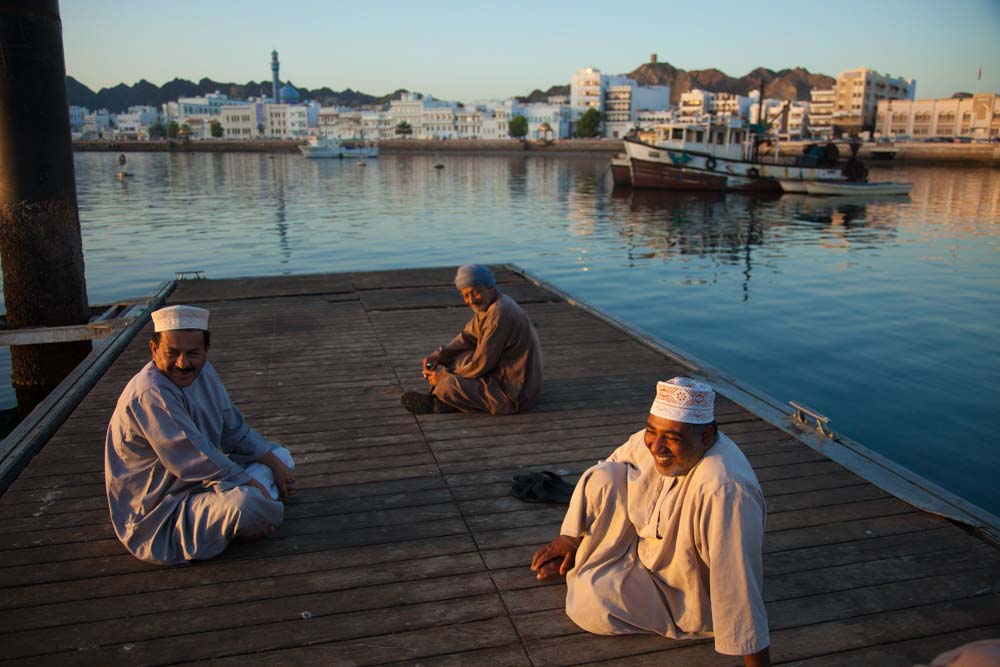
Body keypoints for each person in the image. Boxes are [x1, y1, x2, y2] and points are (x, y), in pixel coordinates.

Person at [531, 378, 770, 666]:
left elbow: (737, 582)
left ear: (705, 437)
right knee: (606, 475)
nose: (656, 446)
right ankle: (587, 559)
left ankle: (605, 574)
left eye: (672, 438)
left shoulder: (725, 489)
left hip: (686, 589)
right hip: (649, 553)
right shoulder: (651, 441)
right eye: (651, 430)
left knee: (589, 601)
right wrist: (569, 538)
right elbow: (605, 473)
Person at [104, 305, 296, 565]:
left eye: (193, 353)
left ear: (206, 350)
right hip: (162, 510)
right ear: (153, 349)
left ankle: (241, 518)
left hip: (204, 484)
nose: (183, 364)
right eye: (172, 353)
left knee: (280, 457)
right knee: (247, 503)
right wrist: (252, 485)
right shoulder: (151, 394)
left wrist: (274, 464)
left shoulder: (205, 373)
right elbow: (195, 460)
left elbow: (233, 430)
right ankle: (249, 516)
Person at [400, 264, 543, 415]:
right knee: (456, 359)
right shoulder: (489, 306)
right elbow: (467, 337)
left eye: (476, 293)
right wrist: (439, 356)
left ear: (491, 288)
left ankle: (440, 402)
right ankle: (450, 399)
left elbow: (481, 364)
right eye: (465, 296)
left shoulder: (499, 314)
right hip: (502, 374)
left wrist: (442, 377)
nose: (471, 300)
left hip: (514, 392)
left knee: (449, 384)